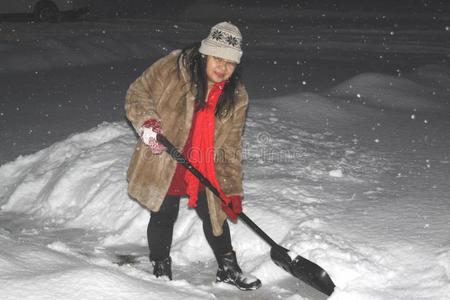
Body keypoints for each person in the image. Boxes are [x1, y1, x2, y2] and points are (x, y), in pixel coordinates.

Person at [125, 21, 261, 291]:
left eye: (230, 63)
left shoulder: (236, 96)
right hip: (164, 156)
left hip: (203, 163)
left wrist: (232, 190)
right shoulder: (175, 68)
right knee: (164, 214)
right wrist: (149, 123)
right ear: (205, 53)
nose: (222, 68)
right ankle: (161, 268)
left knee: (215, 214)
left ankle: (228, 268)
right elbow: (137, 93)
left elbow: (230, 147)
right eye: (217, 59)